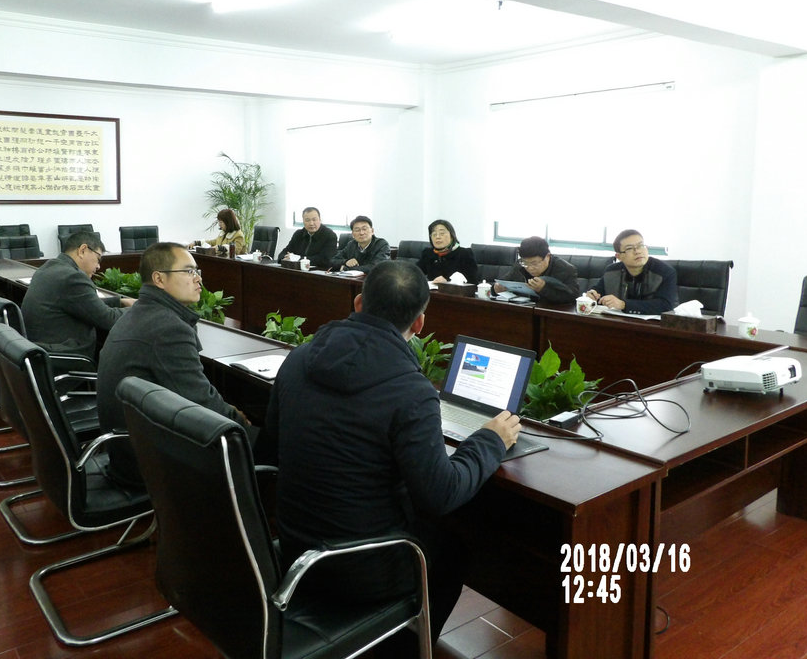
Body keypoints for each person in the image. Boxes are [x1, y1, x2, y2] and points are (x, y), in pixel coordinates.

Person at [254, 260, 521, 650]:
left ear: (359, 303)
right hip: (362, 570)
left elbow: (270, 445)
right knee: (453, 550)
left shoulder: (299, 357)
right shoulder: (411, 390)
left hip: (296, 551)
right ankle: (403, 647)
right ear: (420, 324)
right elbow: (441, 495)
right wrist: (490, 440)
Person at [97, 242, 252, 487]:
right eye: (189, 271)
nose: (198, 279)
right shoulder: (167, 328)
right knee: (258, 441)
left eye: (197, 271)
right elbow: (201, 402)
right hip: (148, 461)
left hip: (126, 448)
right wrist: (241, 423)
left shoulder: (141, 313)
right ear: (159, 279)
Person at [21, 231, 135, 360]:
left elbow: (84, 304)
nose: (98, 266)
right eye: (98, 259)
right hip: (66, 357)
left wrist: (120, 301)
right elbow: (108, 319)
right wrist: (140, 308)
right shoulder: (73, 277)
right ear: (82, 250)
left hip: (40, 351)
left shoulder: (49, 267)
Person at [586, 229, 679, 314]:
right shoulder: (611, 271)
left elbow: (666, 305)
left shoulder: (665, 272)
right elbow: (598, 292)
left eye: (641, 245)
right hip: (618, 323)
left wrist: (624, 305)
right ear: (619, 256)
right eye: (629, 248)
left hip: (655, 325)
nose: (637, 251)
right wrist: (592, 295)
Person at [493, 236, 579, 304]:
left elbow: (572, 298)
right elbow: (503, 282)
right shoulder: (520, 265)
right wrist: (496, 289)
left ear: (547, 256)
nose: (529, 268)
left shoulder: (566, 270)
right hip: (523, 311)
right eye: (525, 263)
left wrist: (543, 289)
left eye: (534, 263)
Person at [415, 219, 478, 283]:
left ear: (452, 236)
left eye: (442, 233)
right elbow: (415, 273)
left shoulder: (464, 254)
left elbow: (473, 282)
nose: (437, 237)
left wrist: (448, 282)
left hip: (454, 289)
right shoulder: (428, 254)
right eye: (434, 234)